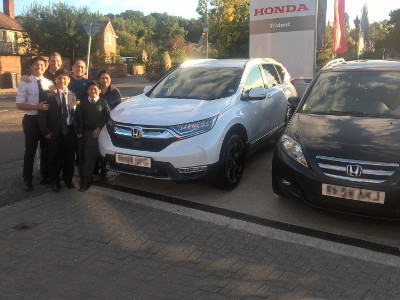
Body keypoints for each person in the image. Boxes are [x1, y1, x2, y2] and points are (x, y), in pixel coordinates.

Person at [38, 69, 82, 192]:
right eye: (59, 78)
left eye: (64, 78)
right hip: (54, 132)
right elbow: (42, 115)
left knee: (69, 157)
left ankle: (68, 180)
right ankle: (54, 181)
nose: (62, 81)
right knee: (54, 157)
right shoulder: (48, 94)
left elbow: (75, 114)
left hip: (69, 131)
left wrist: (78, 129)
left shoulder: (72, 95)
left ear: (68, 80)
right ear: (55, 80)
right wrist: (45, 131)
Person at [16, 56, 53, 191]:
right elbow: (19, 105)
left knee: (45, 149)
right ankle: (27, 179)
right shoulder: (25, 82)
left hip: (44, 121)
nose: (39, 67)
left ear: (45, 67)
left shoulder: (48, 82)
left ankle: (44, 175)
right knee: (30, 150)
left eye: (42, 65)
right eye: (36, 64)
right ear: (31, 67)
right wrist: (37, 107)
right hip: (31, 120)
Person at [78, 81, 109, 192]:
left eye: (95, 89)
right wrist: (79, 130)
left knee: (89, 155)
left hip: (94, 132)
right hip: (83, 132)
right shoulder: (83, 102)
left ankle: (87, 179)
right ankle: (83, 176)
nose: (93, 91)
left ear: (99, 90)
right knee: (81, 155)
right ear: (87, 91)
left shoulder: (103, 102)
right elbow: (79, 117)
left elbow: (105, 116)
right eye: (90, 89)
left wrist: (99, 127)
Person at [96, 70, 122, 176]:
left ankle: (104, 169)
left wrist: (112, 110)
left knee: (105, 146)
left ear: (110, 79)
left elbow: (119, 107)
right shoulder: (95, 90)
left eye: (107, 78)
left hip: (109, 123)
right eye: (102, 78)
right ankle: (94, 168)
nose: (105, 80)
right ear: (99, 79)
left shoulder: (115, 92)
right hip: (97, 122)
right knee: (96, 146)